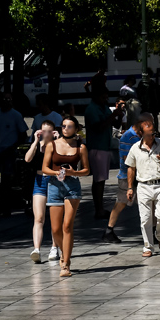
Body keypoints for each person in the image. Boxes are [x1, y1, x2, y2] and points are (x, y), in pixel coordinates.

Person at [43, 116, 90, 277]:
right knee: (56, 229)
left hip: (72, 186)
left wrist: (73, 172)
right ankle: (64, 251)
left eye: (69, 126)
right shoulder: (52, 145)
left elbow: (86, 170)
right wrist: (57, 172)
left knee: (67, 225)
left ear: (76, 129)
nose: (65, 129)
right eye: (63, 126)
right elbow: (45, 167)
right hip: (55, 185)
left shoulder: (81, 147)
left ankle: (66, 264)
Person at [125, 113, 160, 257]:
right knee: (145, 219)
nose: (152, 136)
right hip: (143, 186)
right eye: (149, 134)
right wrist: (130, 187)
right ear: (141, 133)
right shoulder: (135, 148)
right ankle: (148, 246)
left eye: (153, 133)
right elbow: (131, 168)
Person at [0, 92, 27, 216]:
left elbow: (23, 134)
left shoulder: (16, 115)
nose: (6, 101)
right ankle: (3, 199)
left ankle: (4, 205)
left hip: (9, 150)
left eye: (8, 99)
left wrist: (13, 146)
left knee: (6, 179)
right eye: (4, 99)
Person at [23, 120, 59, 262]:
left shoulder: (57, 145)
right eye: (43, 131)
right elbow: (27, 159)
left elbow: (60, 160)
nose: (46, 134)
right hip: (39, 181)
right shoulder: (37, 145)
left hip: (54, 182)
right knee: (38, 217)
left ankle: (54, 247)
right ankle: (36, 249)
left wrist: (58, 140)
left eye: (49, 131)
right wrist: (34, 142)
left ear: (53, 131)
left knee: (55, 218)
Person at [105, 120, 140, 244]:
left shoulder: (140, 135)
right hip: (127, 176)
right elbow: (127, 159)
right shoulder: (128, 137)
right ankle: (109, 230)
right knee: (120, 203)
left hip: (139, 176)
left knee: (150, 203)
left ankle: (157, 231)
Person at [83, 86, 116, 219]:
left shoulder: (104, 107)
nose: (106, 99)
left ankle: (100, 207)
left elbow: (115, 124)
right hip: (97, 147)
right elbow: (99, 127)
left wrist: (118, 114)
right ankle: (99, 209)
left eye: (106, 97)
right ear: (96, 96)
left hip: (104, 146)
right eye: (103, 97)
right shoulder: (92, 109)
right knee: (98, 179)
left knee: (101, 179)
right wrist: (113, 115)